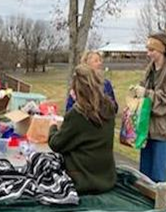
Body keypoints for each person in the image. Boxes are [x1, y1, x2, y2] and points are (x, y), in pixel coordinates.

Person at [48, 64, 116, 194]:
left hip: (82, 179)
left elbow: (56, 144)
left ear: (76, 90)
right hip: (106, 178)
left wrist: (53, 127)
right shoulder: (109, 108)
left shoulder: (77, 115)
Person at [130, 32, 166, 183]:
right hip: (147, 130)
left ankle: (160, 206)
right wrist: (136, 94)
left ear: (161, 50)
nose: (148, 54)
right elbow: (143, 89)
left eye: (151, 50)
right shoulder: (150, 70)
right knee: (144, 177)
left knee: (158, 178)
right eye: (147, 50)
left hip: (163, 131)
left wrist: (146, 93)